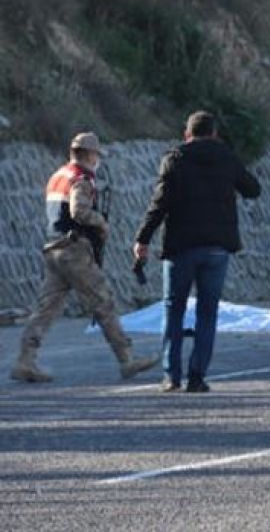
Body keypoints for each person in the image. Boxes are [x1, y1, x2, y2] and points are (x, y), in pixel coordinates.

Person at [10, 133, 160, 383]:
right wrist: (100, 223)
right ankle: (127, 359)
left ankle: (25, 360)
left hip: (53, 248)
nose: (97, 159)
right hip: (75, 250)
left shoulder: (58, 176)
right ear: (90, 154)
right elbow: (78, 211)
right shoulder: (81, 179)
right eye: (96, 155)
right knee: (103, 301)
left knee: (46, 309)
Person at [133, 112, 262, 393]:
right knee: (207, 312)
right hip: (217, 247)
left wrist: (142, 238)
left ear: (186, 133)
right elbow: (253, 189)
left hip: (181, 246)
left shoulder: (175, 159)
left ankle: (171, 376)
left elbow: (159, 204)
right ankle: (197, 376)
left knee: (173, 310)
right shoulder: (226, 157)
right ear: (215, 133)